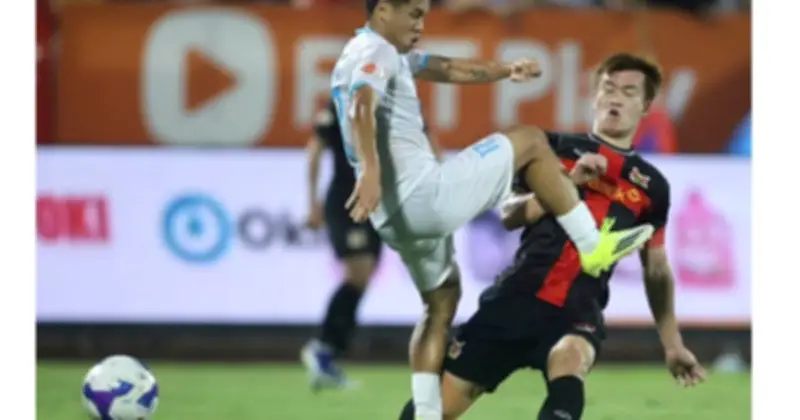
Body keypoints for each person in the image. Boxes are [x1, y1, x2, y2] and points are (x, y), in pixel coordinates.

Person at [331, 2, 655, 418]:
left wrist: (504, 70)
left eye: (424, 13)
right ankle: (592, 244)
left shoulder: (374, 54)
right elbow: (362, 105)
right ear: (382, 12)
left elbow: (446, 67)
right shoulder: (375, 51)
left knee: (440, 301)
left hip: (393, 218)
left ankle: (427, 413)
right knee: (530, 140)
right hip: (424, 195)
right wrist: (370, 171)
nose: (420, 23)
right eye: (412, 13)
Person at [396, 52, 708, 420]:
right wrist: (566, 185)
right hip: (515, 297)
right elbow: (509, 216)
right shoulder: (550, 147)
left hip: (578, 308)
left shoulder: (653, 187)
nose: (616, 99)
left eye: (628, 92)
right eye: (608, 88)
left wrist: (673, 345)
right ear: (594, 96)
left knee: (571, 360)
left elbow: (656, 268)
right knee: (434, 410)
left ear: (645, 106)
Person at [301, 99, 440, 390]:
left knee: (364, 276)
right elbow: (315, 149)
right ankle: (323, 346)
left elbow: (428, 145)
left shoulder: (403, 102)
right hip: (347, 200)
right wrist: (312, 202)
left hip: (382, 203)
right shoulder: (343, 101)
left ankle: (328, 353)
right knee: (359, 271)